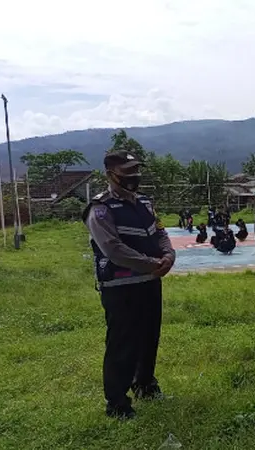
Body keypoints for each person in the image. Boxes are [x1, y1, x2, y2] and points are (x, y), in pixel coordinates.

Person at [82, 151, 176, 420]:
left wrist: (169, 255)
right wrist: (150, 263)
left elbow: (159, 232)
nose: (133, 176)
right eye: (127, 171)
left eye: (136, 170)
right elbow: (113, 248)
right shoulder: (100, 209)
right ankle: (117, 402)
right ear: (111, 174)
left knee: (149, 337)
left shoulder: (145, 203)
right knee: (122, 343)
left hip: (150, 281)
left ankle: (145, 385)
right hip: (120, 286)